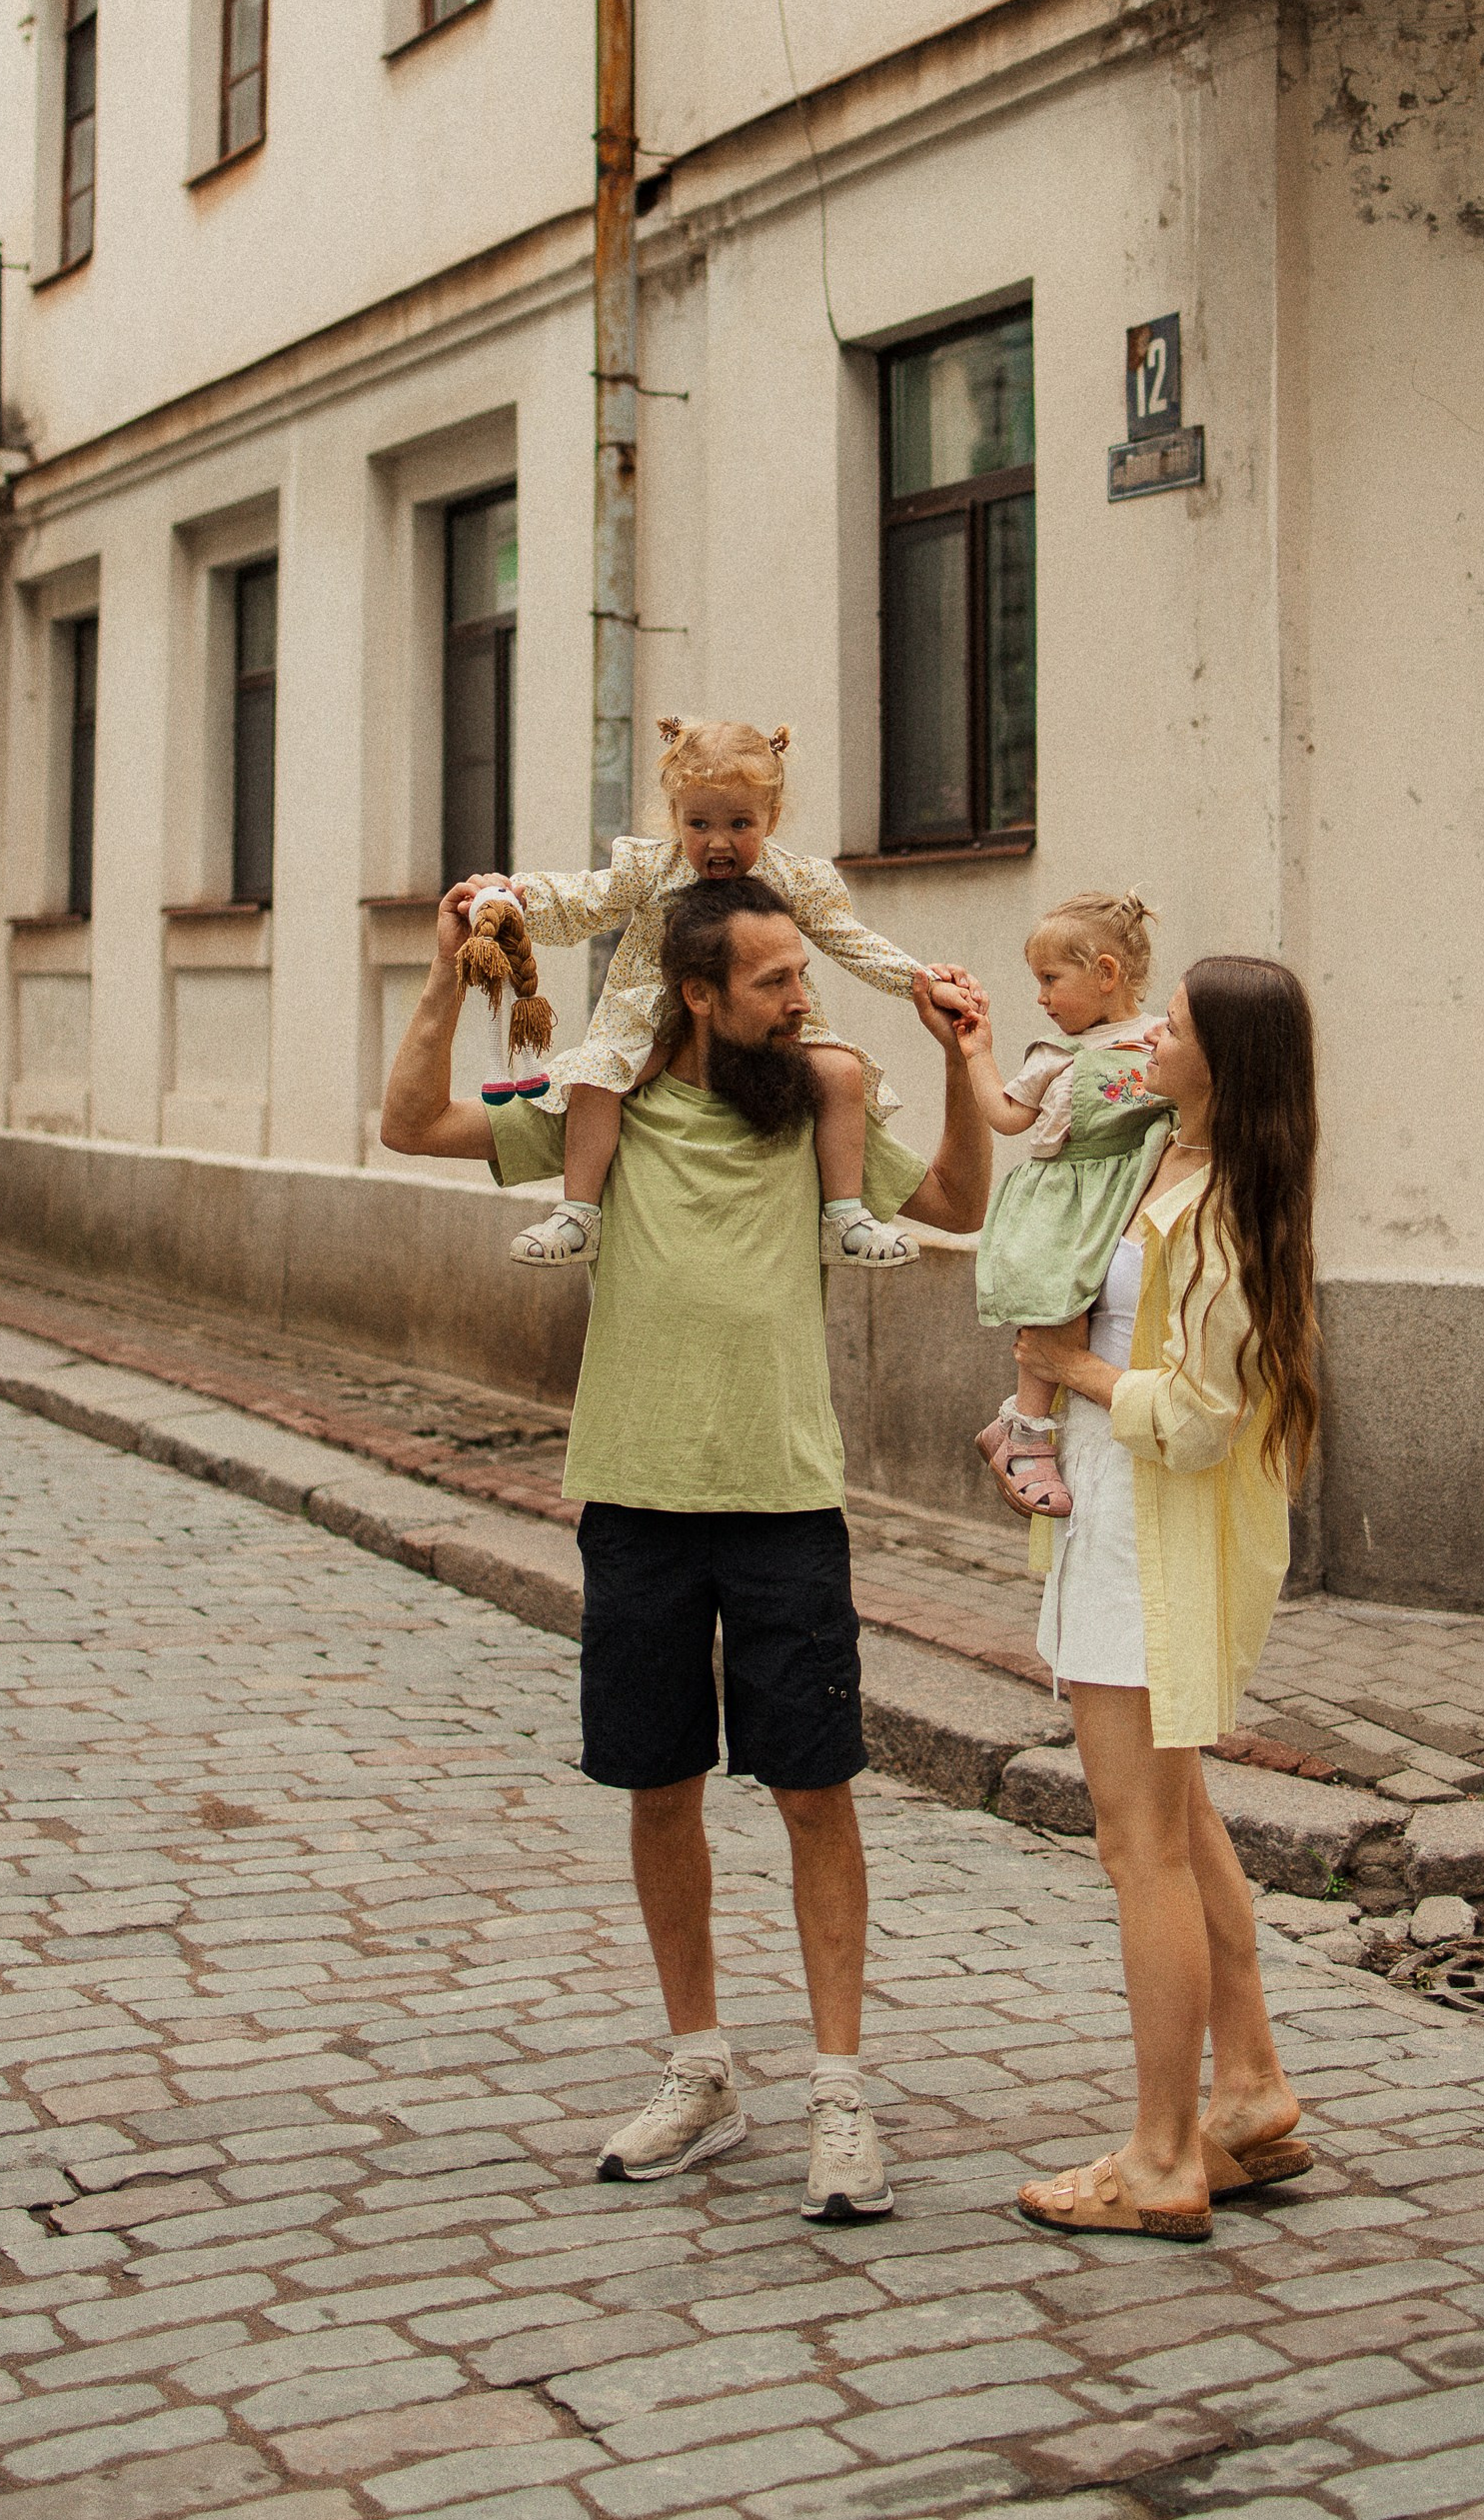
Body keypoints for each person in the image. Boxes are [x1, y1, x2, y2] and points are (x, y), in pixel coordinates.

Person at [380, 867, 991, 2226]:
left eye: (800, 974)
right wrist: (441, 974)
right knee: (660, 1785)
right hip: (637, 1495)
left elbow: (954, 1203)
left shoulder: (822, 1109)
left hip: (784, 1499)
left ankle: (840, 2090)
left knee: (815, 1791)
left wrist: (957, 1068)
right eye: (773, 982)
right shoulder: (605, 1108)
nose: (801, 998)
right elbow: (413, 1122)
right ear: (698, 996)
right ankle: (701, 2071)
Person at [977, 956, 1322, 2245]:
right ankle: (1251, 2090)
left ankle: (1165, 2154)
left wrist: (1070, 1371)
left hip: (1156, 1552)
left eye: (1174, 1023)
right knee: (1182, 1818)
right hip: (1115, 1530)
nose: (1154, 1032)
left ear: (1225, 1062)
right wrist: (1047, 1401)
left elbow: (1197, 1418)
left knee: (1142, 1850)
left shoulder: (1227, 1211)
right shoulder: (1158, 1164)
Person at [503, 715, 971, 1272]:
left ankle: (844, 1215)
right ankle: (578, 1212)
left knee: (840, 1074)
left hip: (762, 1021)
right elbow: (587, 899)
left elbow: (851, 940)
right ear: (675, 816)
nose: (717, 842)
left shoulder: (793, 878)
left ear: (771, 818)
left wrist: (923, 982)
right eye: (698, 823)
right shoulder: (652, 867)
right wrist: (518, 897)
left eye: (740, 823)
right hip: (652, 1020)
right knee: (597, 1077)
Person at [964, 889, 1172, 1518]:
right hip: (1066, 1199)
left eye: (1051, 979)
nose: (1041, 997)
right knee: (1060, 1301)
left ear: (1106, 973)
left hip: (1129, 1194)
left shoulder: (1160, 1039)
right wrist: (977, 1053)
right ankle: (1026, 1431)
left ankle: (1014, 1428)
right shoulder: (1057, 1056)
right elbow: (1006, 1115)